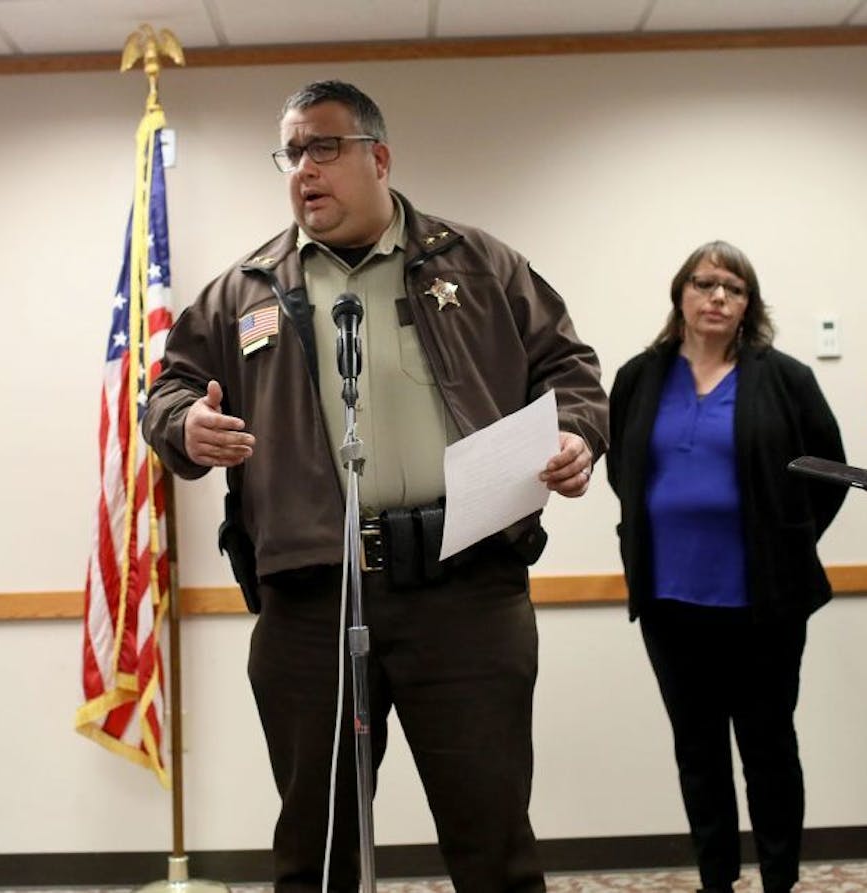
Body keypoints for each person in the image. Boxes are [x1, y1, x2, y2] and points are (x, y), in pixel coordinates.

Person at [144, 80, 606, 892]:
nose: (303, 170)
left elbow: (570, 370)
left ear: (379, 157)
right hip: (312, 597)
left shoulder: (478, 263)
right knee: (316, 854)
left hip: (464, 587)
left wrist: (577, 433)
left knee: (492, 840)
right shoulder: (244, 290)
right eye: (291, 153)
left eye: (324, 147)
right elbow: (168, 391)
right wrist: (184, 426)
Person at [606, 241, 846, 893]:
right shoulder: (639, 376)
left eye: (733, 288)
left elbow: (829, 471)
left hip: (763, 602)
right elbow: (622, 470)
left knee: (768, 747)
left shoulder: (784, 377)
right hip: (668, 600)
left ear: (748, 305)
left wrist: (786, 540)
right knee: (698, 750)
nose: (717, 297)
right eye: (705, 283)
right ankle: (716, 879)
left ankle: (778, 879)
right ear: (680, 293)